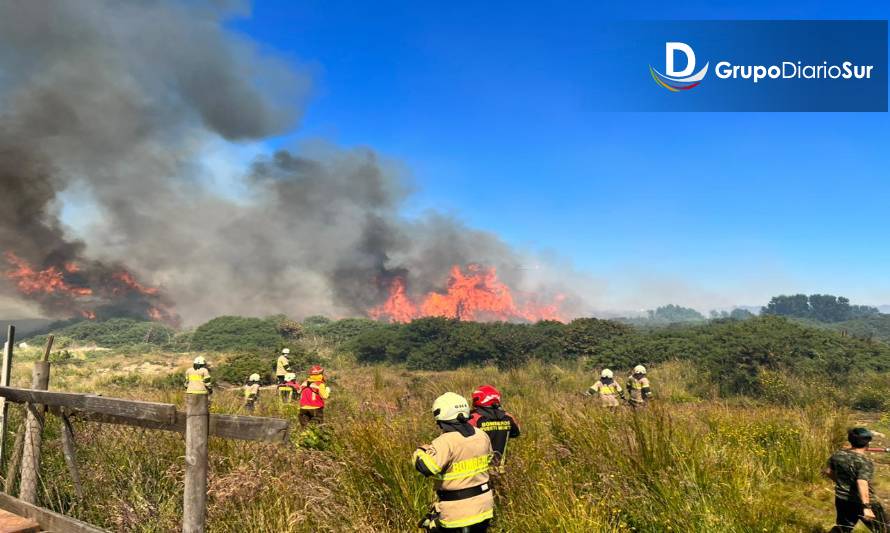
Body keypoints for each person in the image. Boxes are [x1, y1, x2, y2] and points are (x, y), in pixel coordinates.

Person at [414, 392, 494, 532]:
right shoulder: (482, 435)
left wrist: (420, 451)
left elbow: (426, 467)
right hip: (484, 507)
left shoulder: (445, 441)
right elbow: (490, 459)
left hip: (457, 512)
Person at [825, 427, 888, 532]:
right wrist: (866, 507)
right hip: (862, 502)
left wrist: (842, 483)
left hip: (842, 499)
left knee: (843, 529)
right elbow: (862, 482)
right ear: (868, 443)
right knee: (883, 529)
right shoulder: (864, 462)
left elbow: (828, 472)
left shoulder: (837, 455)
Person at [469, 385, 520, 472]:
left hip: (479, 471)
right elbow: (516, 432)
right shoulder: (508, 417)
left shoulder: (473, 418)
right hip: (501, 468)